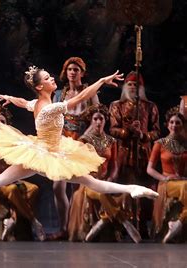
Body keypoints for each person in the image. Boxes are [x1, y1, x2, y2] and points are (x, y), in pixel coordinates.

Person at [0, 66, 158, 221]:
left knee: (91, 182)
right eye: (48, 78)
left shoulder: (39, 103)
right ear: (40, 86)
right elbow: (79, 98)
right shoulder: (50, 107)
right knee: (91, 183)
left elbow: (25, 103)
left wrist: (11, 99)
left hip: (47, 151)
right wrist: (101, 81)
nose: (53, 79)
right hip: (47, 153)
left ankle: (132, 189)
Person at [67, 104, 141, 243]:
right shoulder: (83, 141)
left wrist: (111, 177)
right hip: (88, 183)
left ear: (105, 121)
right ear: (91, 121)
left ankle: (104, 220)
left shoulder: (111, 141)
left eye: (101, 119)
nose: (98, 122)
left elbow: (114, 166)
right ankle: (124, 221)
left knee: (125, 194)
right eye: (95, 119)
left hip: (105, 180)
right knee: (101, 193)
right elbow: (75, 165)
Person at [0, 105, 44, 241]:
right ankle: (33, 221)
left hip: (11, 180)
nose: (0, 124)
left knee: (33, 188)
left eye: (3, 122)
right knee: (13, 190)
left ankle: (13, 218)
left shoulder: (13, 144)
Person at [50, 57, 98, 240]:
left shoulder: (89, 93)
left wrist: (84, 139)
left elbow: (97, 117)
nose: (72, 72)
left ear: (82, 73)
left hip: (80, 142)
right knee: (57, 186)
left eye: (76, 69)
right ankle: (64, 226)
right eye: (70, 69)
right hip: (63, 143)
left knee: (77, 188)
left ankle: (77, 228)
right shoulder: (59, 95)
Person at [109, 71, 160, 237]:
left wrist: (143, 135)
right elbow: (113, 129)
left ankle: (143, 223)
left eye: (135, 85)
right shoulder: (116, 105)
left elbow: (157, 132)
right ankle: (125, 222)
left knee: (144, 187)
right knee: (125, 186)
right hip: (124, 152)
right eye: (129, 84)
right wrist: (128, 131)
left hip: (144, 153)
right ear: (125, 87)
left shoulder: (150, 106)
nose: (132, 87)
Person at [147, 107, 187, 243]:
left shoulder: (185, 144)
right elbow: (149, 169)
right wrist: (164, 178)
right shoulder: (160, 144)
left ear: (182, 125)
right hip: (167, 183)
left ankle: (179, 223)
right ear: (167, 124)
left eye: (178, 123)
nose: (174, 125)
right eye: (172, 122)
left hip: (182, 181)